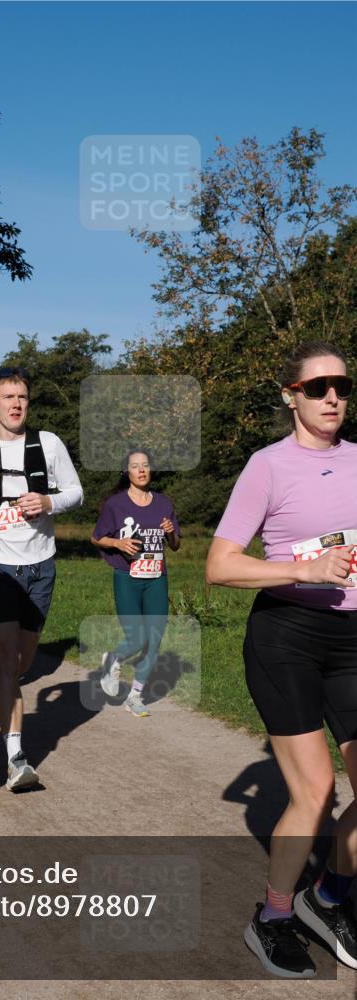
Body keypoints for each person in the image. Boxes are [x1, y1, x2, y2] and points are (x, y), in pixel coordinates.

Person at [206, 341, 357, 979]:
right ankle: (272, 916)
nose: (332, 398)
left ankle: (325, 898)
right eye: (318, 387)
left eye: (342, 387)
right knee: (316, 791)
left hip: (352, 640)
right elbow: (219, 565)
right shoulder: (268, 466)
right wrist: (304, 568)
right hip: (287, 636)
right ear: (290, 396)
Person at [0, 366, 83, 790]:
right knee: (13, 659)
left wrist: (47, 501)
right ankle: (16, 757)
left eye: (22, 398)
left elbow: (76, 492)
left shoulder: (48, 443)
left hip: (41, 565)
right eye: (7, 397)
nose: (15, 404)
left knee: (23, 662)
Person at [90, 449, 181, 716]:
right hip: (127, 577)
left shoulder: (164, 503)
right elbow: (96, 538)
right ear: (127, 472)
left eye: (145, 465)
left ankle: (136, 696)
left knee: (154, 639)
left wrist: (171, 533)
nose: (141, 470)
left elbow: (175, 546)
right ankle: (113, 659)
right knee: (137, 636)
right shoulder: (116, 505)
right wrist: (118, 542)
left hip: (156, 578)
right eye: (135, 466)